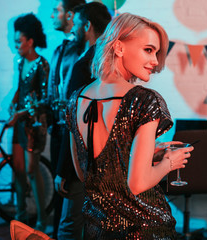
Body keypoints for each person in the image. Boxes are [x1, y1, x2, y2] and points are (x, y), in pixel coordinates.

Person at [66, 13, 194, 239]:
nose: (155, 61)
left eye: (156, 52)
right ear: (119, 47)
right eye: (148, 49)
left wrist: (140, 155)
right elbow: (137, 184)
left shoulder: (75, 100)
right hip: (144, 227)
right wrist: (169, 163)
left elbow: (85, 172)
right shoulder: (144, 100)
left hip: (98, 227)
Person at [54, 2, 111, 240]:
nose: (74, 29)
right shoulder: (109, 61)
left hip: (83, 157)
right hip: (107, 154)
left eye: (76, 24)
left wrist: (62, 169)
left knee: (69, 225)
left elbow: (75, 123)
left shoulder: (85, 63)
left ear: (87, 25)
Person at [8, 13, 49, 232]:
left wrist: (20, 113)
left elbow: (44, 100)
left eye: (18, 42)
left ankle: (42, 220)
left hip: (33, 124)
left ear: (30, 41)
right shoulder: (20, 61)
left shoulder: (42, 64)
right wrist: (13, 102)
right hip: (19, 121)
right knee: (18, 169)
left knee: (32, 171)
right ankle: (21, 215)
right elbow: (20, 87)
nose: (16, 46)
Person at [47, 0, 85, 238]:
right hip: (59, 129)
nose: (52, 15)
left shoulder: (84, 50)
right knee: (59, 187)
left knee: (71, 190)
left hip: (76, 130)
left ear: (71, 15)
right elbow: (54, 89)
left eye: (56, 10)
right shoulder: (60, 49)